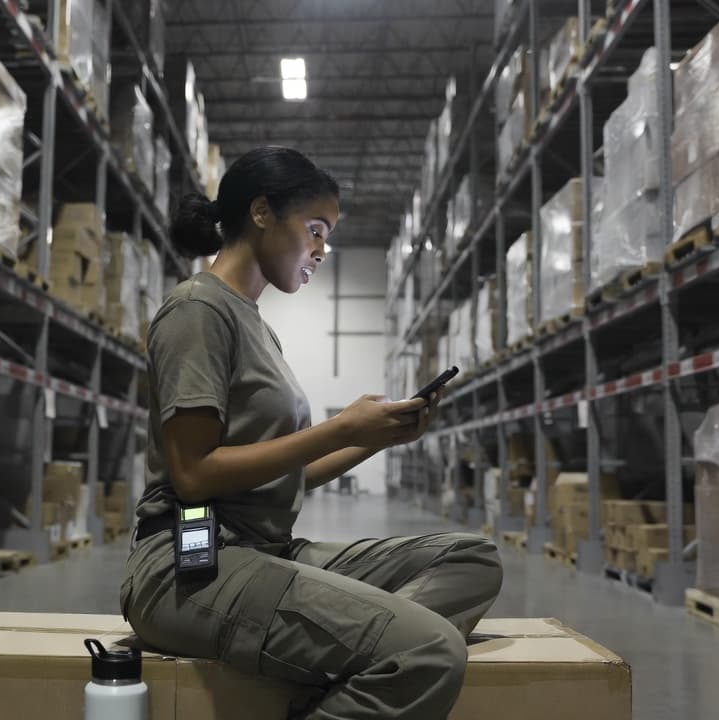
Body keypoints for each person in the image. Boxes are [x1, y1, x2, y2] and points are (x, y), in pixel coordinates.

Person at [120, 146, 503, 719]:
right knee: (430, 651)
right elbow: (194, 476)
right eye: (316, 230)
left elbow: (284, 473)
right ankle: (371, 641)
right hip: (191, 563)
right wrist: (341, 427)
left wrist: (372, 439)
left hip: (263, 552)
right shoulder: (197, 310)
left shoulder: (255, 324)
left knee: (472, 560)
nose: (322, 250)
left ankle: (348, 637)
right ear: (261, 213)